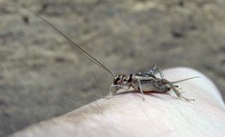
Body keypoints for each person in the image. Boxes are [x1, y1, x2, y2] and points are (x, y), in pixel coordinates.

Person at [11, 67, 225, 137]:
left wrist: (141, 93)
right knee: (186, 73)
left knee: (173, 77)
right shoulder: (123, 85)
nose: (119, 83)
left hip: (156, 86)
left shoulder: (135, 82)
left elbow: (144, 84)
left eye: (120, 81)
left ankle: (184, 95)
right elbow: (114, 89)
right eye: (119, 81)